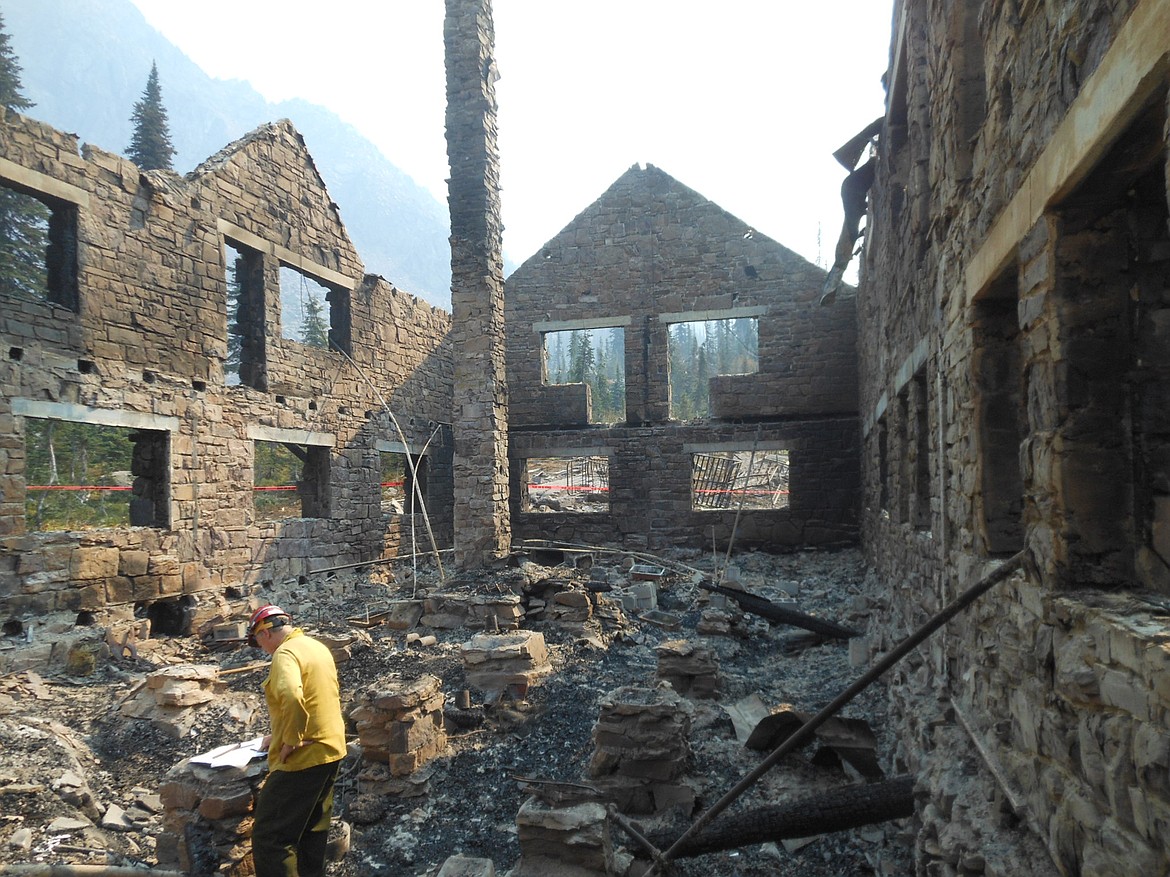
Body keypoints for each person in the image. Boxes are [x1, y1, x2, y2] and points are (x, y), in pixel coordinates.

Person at [247, 604, 346, 877]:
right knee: (313, 830)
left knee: (271, 838)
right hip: (331, 749)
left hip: (304, 756)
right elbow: (318, 697)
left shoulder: (285, 654)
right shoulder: (315, 646)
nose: (262, 649)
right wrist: (277, 733)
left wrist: (290, 739)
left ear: (265, 633)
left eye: (258, 642)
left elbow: (292, 695)